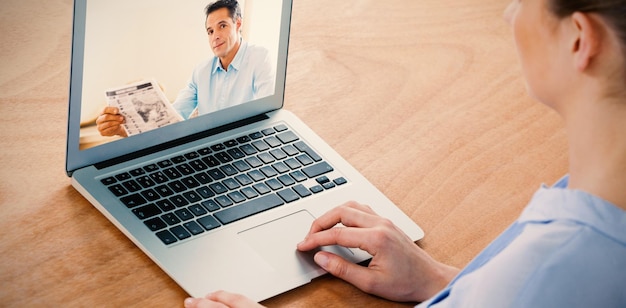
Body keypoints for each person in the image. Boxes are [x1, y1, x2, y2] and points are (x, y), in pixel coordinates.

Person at [184, 0, 626, 307]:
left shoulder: (551, 268)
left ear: (578, 39)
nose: (510, 13)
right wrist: (441, 280)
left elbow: (536, 291)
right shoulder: (599, 208)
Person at [96, 0, 275, 137]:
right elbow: (171, 121)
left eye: (222, 26)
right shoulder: (201, 71)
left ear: (238, 24)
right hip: (209, 152)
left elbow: (266, 117)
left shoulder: (260, 57)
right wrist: (123, 129)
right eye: (210, 31)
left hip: (247, 146)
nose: (215, 36)